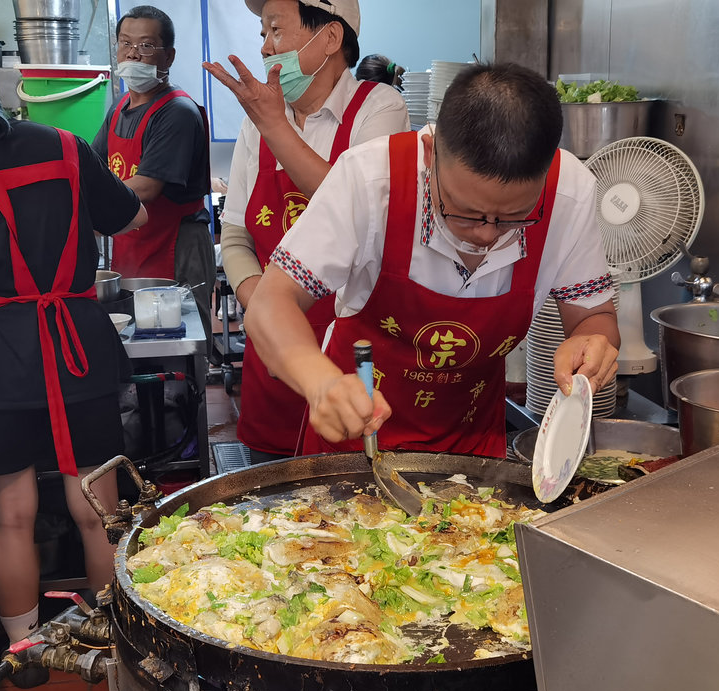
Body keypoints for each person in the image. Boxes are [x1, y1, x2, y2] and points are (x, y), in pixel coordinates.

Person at [0, 35, 147, 646]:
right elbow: (130, 216)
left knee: (10, 515)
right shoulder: (64, 146)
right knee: (98, 508)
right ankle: (113, 645)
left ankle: (25, 650)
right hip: (79, 347)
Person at [243, 62, 620, 457]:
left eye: (514, 218)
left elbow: (594, 319)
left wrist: (591, 343)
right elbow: (271, 302)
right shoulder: (370, 179)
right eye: (464, 212)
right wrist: (321, 383)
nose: (487, 235)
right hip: (355, 445)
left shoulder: (570, 193)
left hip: (472, 457)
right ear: (430, 154)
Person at [203, 0, 410, 463]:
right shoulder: (254, 126)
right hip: (272, 361)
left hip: (353, 360)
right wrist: (269, 318)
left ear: (330, 39)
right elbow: (236, 234)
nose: (264, 48)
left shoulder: (378, 108)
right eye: (261, 34)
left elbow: (356, 212)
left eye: (275, 30)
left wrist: (274, 123)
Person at [91, 5, 215, 356]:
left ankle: (186, 408)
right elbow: (94, 168)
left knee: (178, 347)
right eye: (125, 43)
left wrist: (90, 214)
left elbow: (146, 187)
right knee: (136, 342)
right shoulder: (119, 107)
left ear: (169, 56)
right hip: (133, 243)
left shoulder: (176, 111)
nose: (132, 53)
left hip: (176, 245)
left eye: (146, 45)